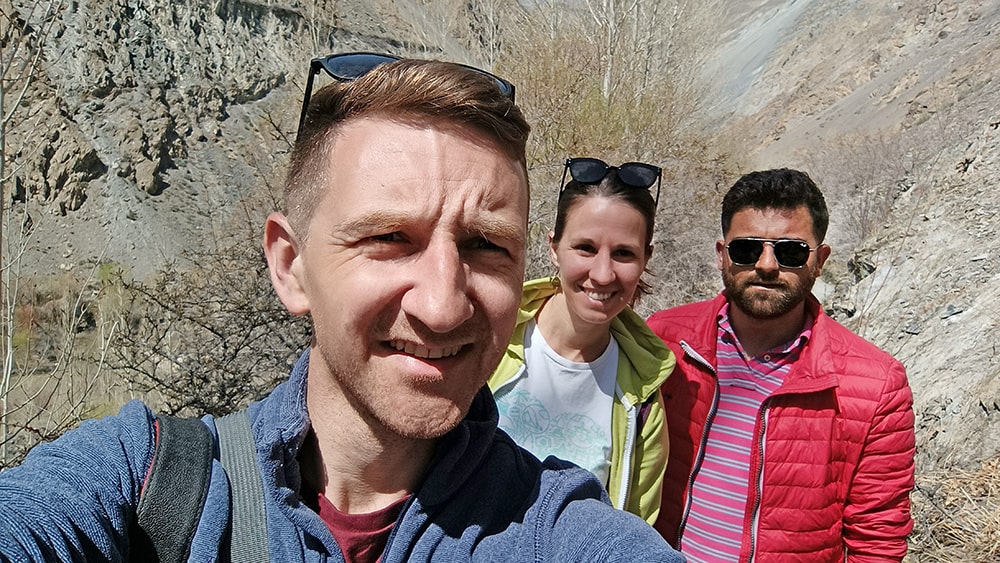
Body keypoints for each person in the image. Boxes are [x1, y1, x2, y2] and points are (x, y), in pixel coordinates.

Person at [0, 53, 684, 562]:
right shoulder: (147, 484)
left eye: (485, 245)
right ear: (291, 265)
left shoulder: (554, 527)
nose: (443, 306)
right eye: (389, 238)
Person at [647, 168, 915, 562]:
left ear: (820, 261)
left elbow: (877, 537)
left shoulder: (876, 385)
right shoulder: (664, 340)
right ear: (722, 255)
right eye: (747, 249)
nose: (767, 265)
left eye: (790, 251)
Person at [488, 157, 675, 524]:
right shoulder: (487, 339)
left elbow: (635, 527)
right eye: (586, 248)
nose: (603, 274)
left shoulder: (642, 397)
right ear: (553, 246)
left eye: (624, 253)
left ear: (646, 258)